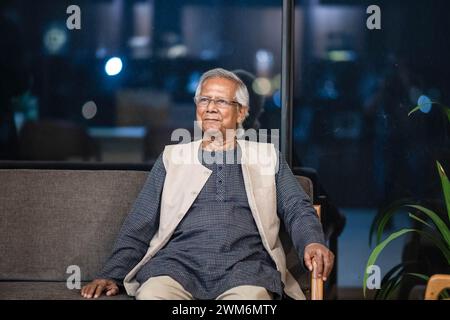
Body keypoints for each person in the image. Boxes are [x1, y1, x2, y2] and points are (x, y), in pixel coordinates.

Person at [81, 68, 334, 300]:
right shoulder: (173, 158)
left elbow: (296, 207)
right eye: (204, 100)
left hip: (245, 268)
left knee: (251, 301)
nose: (211, 107)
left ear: (242, 112)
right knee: (151, 295)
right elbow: (140, 222)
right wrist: (112, 274)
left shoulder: (267, 157)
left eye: (221, 101)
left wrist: (312, 241)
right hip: (176, 267)